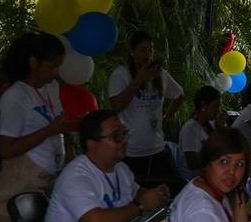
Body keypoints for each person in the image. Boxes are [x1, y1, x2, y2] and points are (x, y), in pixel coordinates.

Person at [0, 32, 74, 222]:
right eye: (51, 66)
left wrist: (72, 159)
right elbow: (6, 149)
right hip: (21, 182)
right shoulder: (16, 96)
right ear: (33, 62)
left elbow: (60, 125)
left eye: (58, 66)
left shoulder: (51, 87)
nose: (56, 72)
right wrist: (49, 131)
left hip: (49, 179)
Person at [46, 109, 171, 222]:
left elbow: (136, 192)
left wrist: (155, 195)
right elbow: (94, 219)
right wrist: (141, 206)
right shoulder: (75, 177)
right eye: (116, 136)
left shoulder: (121, 169)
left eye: (125, 133)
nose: (124, 140)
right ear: (92, 144)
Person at [108, 30, 186, 193]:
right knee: (132, 196)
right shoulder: (121, 74)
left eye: (150, 50)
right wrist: (139, 80)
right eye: (142, 50)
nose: (148, 54)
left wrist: (168, 114)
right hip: (130, 151)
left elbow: (179, 95)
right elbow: (116, 105)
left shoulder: (161, 75)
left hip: (156, 149)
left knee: (175, 190)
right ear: (132, 52)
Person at [170, 126, 251, 222]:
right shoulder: (202, 213)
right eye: (224, 161)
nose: (232, 171)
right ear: (207, 163)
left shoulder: (210, 187)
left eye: (240, 164)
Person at [180, 86, 227, 179]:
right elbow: (192, 164)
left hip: (212, 175)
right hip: (195, 180)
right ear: (204, 106)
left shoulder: (213, 124)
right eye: (215, 106)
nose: (218, 110)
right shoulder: (190, 129)